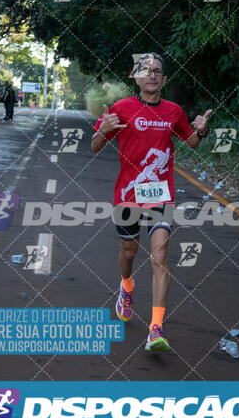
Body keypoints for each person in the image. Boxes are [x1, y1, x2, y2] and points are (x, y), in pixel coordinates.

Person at [91, 53, 212, 352]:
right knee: (129, 251)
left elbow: (190, 141)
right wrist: (105, 129)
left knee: (160, 257)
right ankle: (127, 286)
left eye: (157, 71)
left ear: (164, 79)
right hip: (128, 194)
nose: (152, 75)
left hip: (160, 194)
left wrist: (201, 131)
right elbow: (95, 146)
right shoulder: (121, 109)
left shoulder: (173, 111)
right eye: (146, 70)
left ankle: (156, 328)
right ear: (136, 77)